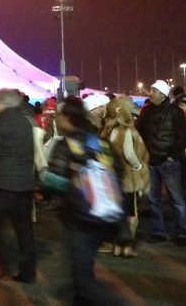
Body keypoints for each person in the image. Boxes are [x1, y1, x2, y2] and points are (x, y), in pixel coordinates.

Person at [45, 96, 125, 305]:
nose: (55, 118)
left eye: (58, 115)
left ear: (67, 117)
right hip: (105, 214)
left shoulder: (66, 144)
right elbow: (119, 172)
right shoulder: (100, 141)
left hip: (79, 218)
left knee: (81, 280)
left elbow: (54, 181)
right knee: (83, 268)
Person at [0, 88, 37, 283]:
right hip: (25, 183)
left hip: (5, 182)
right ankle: (28, 272)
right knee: (24, 229)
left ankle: (1, 262)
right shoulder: (26, 121)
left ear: (3, 103)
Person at [136, 80, 186, 247]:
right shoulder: (146, 112)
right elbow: (138, 132)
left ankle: (180, 232)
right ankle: (158, 231)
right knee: (154, 199)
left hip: (169, 163)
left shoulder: (175, 112)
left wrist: (172, 156)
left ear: (163, 94)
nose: (150, 93)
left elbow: (185, 136)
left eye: (154, 91)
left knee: (176, 199)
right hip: (151, 162)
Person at [101, 95, 149, 257]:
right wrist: (139, 166)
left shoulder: (106, 130)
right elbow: (129, 154)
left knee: (116, 211)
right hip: (128, 176)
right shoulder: (126, 130)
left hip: (110, 176)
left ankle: (114, 244)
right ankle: (127, 245)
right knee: (131, 212)